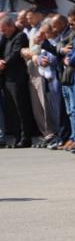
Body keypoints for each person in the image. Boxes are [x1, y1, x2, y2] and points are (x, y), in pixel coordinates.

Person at [1, 14, 38, 147]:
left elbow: (16, 53)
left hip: (17, 78)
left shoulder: (20, 36)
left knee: (21, 109)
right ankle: (17, 137)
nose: (3, 33)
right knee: (12, 110)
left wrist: (3, 63)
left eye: (4, 29)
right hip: (7, 78)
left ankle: (25, 137)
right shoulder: (5, 38)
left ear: (11, 26)